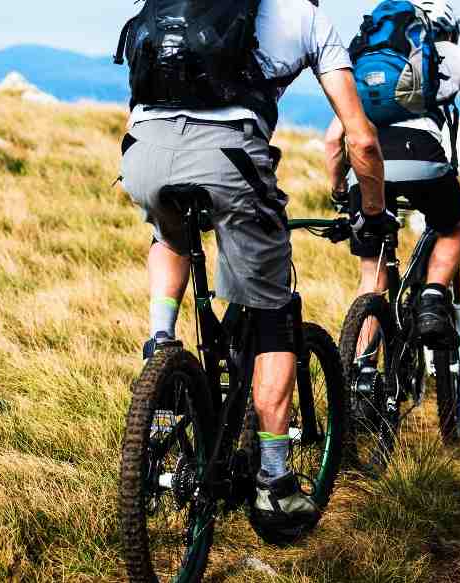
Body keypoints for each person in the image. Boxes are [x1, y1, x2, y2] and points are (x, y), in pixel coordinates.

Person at [118, 0, 390, 539]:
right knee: (274, 320)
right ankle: (273, 481)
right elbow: (358, 137)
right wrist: (373, 212)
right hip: (228, 156)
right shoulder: (306, 18)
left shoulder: (175, 4)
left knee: (170, 234)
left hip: (141, 155)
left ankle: (160, 341)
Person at [325, 0, 460, 349]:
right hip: (425, 161)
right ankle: (434, 296)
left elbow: (333, 140)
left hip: (368, 166)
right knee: (452, 227)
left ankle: (360, 372)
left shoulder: (367, 58)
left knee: (371, 277)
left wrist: (340, 188)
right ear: (449, 29)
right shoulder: (453, 54)